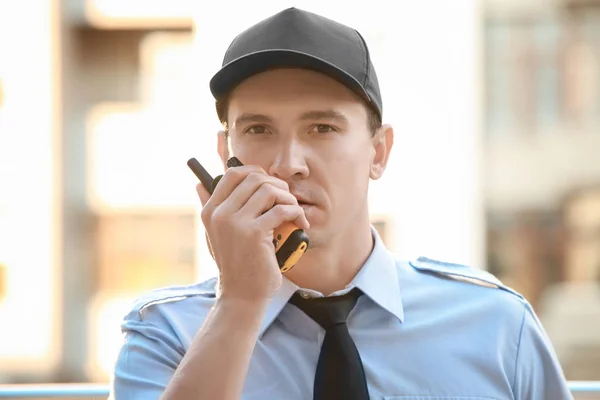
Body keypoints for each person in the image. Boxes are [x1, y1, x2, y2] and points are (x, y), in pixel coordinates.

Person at [110, 7, 573, 400]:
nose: (289, 164)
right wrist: (239, 302)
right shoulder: (166, 332)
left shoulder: (495, 325)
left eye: (323, 129)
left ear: (379, 151)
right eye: (257, 130)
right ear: (223, 155)